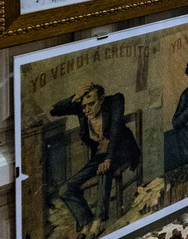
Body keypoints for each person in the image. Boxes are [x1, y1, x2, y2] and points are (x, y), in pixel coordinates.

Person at [50, 83, 142, 239]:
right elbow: (54, 110)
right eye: (84, 106)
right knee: (65, 189)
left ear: (101, 100)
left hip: (123, 149)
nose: (87, 110)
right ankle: (86, 221)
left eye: (91, 104)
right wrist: (75, 96)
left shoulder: (115, 101)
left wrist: (108, 158)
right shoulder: (82, 109)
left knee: (104, 169)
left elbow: (115, 129)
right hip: (101, 154)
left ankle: (98, 221)